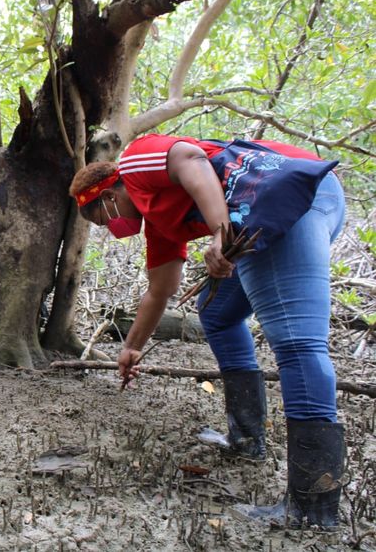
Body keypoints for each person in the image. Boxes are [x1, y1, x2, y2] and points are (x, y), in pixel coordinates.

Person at [70, 134, 345, 530]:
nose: (111, 226)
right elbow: (159, 290)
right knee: (216, 311)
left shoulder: (135, 163)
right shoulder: (161, 224)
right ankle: (247, 438)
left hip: (288, 195)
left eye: (102, 218)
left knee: (297, 342)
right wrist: (130, 348)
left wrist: (220, 232)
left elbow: (191, 159)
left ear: (108, 196)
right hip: (265, 214)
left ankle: (313, 507)